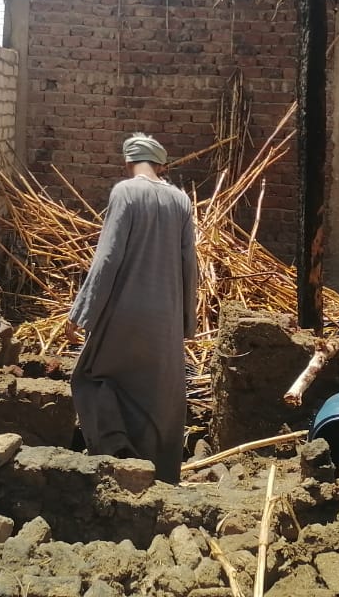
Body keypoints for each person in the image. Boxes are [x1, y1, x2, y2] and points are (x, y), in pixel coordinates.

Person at [65, 132, 199, 482]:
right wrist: (187, 322)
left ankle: (115, 452)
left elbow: (107, 258)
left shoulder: (125, 192)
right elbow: (190, 265)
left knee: (92, 377)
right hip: (165, 320)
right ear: (161, 165)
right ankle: (159, 476)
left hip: (123, 315)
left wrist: (82, 312)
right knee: (158, 399)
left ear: (128, 161)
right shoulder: (181, 201)